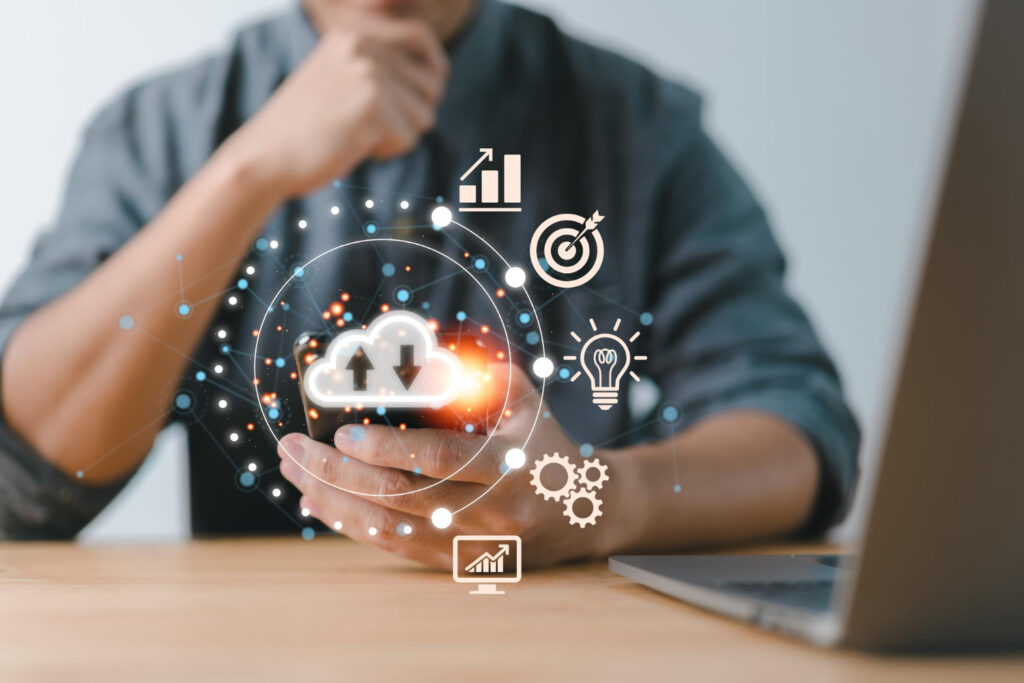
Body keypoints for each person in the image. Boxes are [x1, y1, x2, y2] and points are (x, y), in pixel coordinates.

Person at [0, 0, 858, 568]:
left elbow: (795, 429)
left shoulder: (635, 127)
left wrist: (593, 498)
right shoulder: (163, 130)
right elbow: (22, 479)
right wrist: (246, 172)